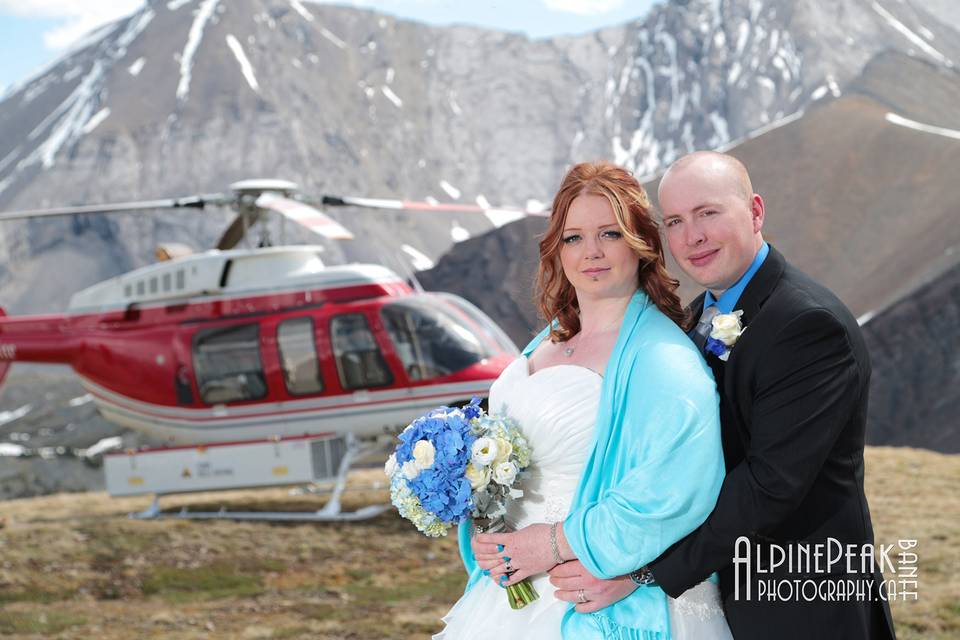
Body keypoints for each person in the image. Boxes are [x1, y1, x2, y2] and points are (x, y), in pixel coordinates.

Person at [548, 151, 897, 639]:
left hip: (799, 604)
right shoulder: (696, 317)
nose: (692, 237)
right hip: (722, 592)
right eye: (675, 221)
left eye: (707, 213)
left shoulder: (808, 325)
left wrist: (642, 573)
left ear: (755, 212)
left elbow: (768, 488)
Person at [433, 161, 733, 639]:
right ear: (557, 248)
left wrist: (550, 545)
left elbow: (672, 495)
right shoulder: (546, 342)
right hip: (510, 596)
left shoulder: (662, 359)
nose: (590, 252)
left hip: (593, 591)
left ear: (641, 244)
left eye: (609, 234)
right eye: (573, 237)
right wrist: (487, 525)